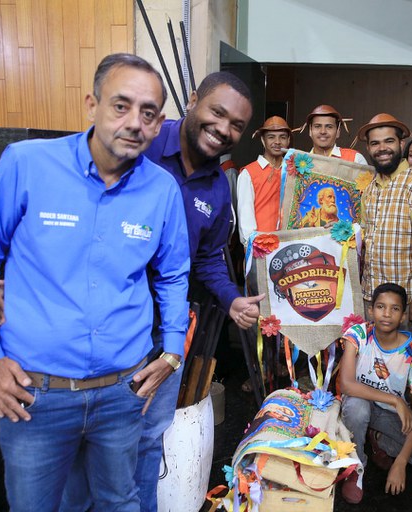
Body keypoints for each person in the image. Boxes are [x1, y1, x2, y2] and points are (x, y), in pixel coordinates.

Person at [0, 53, 191, 511]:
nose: (134, 122)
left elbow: (174, 274)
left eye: (148, 113)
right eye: (121, 105)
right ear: (91, 105)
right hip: (34, 395)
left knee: (120, 501)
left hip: (123, 393)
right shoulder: (27, 164)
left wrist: (173, 350)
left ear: (159, 124)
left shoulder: (162, 190)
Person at [58, 71, 264, 512]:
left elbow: (207, 258)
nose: (223, 129)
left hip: (166, 331)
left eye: (236, 126)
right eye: (217, 112)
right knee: (90, 442)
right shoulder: (141, 144)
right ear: (192, 100)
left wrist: (231, 299)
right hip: (105, 326)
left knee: (150, 439)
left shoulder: (217, 187)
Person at [338, 283, 412, 504]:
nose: (386, 314)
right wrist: (395, 400)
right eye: (380, 307)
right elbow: (346, 384)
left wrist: (400, 462)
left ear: (403, 316)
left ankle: (376, 438)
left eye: (394, 309)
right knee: (357, 409)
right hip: (360, 402)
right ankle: (356, 465)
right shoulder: (358, 334)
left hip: (387, 414)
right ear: (370, 311)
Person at [358, 113, 412, 324]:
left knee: (406, 347)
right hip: (371, 297)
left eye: (389, 141)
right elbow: (365, 240)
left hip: (405, 301)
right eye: (375, 143)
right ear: (368, 148)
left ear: (401, 144)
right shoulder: (369, 189)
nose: (382, 148)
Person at [236, 116, 292, 244]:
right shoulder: (248, 173)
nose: (277, 142)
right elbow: (246, 221)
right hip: (262, 246)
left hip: (289, 245)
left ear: (288, 140)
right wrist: (253, 246)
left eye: (282, 137)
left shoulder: (293, 171)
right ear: (263, 140)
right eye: (271, 137)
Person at [297, 104, 368, 164]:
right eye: (317, 126)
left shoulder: (355, 158)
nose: (323, 131)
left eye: (329, 127)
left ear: (338, 132)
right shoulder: (299, 162)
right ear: (310, 131)